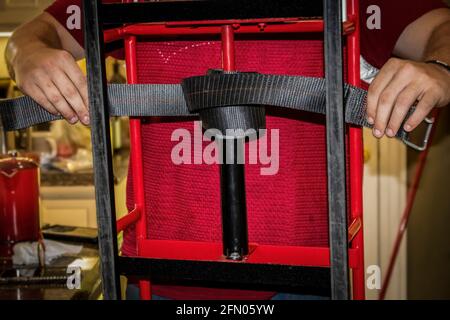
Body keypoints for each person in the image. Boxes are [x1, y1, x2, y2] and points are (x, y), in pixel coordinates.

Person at [6, 0, 450, 299]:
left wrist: (439, 67)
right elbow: (36, 33)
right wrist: (24, 53)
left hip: (304, 277)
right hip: (155, 276)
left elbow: (441, 28)